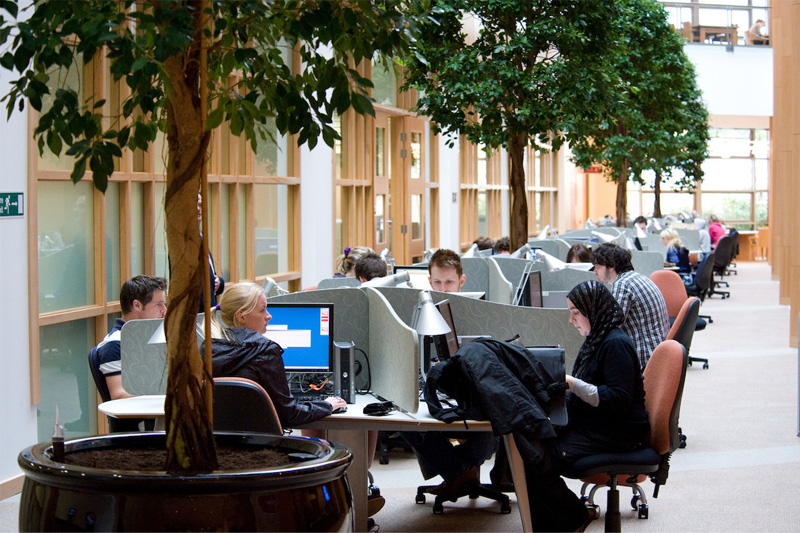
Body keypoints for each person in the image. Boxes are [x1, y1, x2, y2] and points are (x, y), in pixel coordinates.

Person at [524, 280, 649, 532]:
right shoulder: (598, 339)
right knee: (530, 442)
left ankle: (574, 518)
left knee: (538, 457)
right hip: (599, 424)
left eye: (576, 313)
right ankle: (554, 521)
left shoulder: (615, 344)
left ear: (594, 311)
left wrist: (572, 384)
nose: (572, 320)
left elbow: (618, 400)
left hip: (617, 432)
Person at [402, 249, 496, 499]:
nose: (443, 288)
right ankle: (461, 473)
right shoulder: (419, 311)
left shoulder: (478, 310)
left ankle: (458, 474)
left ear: (461, 281)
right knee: (402, 418)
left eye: (450, 282)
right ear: (429, 282)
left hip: (473, 394)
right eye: (438, 282)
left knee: (483, 423)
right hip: (436, 392)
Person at [208, 282, 346, 427]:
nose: (269, 316)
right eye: (262, 310)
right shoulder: (264, 351)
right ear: (241, 316)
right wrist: (327, 405)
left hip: (216, 443)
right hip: (262, 444)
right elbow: (290, 415)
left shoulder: (209, 348)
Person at [593, 243, 670, 369]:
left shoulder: (622, 285)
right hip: (658, 353)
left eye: (597, 266)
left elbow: (609, 327)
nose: (594, 271)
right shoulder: (636, 278)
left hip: (645, 360)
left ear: (611, 265)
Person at [94, 275, 168, 400]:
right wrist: (170, 390)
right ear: (137, 305)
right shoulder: (114, 344)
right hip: (143, 417)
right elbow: (119, 395)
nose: (164, 310)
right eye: (158, 304)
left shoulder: (152, 337)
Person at [196, 194, 225, 310]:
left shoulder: (201, 235)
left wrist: (219, 283)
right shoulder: (186, 242)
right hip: (197, 315)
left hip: (209, 311)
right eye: (194, 205)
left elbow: (209, 274)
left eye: (200, 205)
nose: (198, 209)